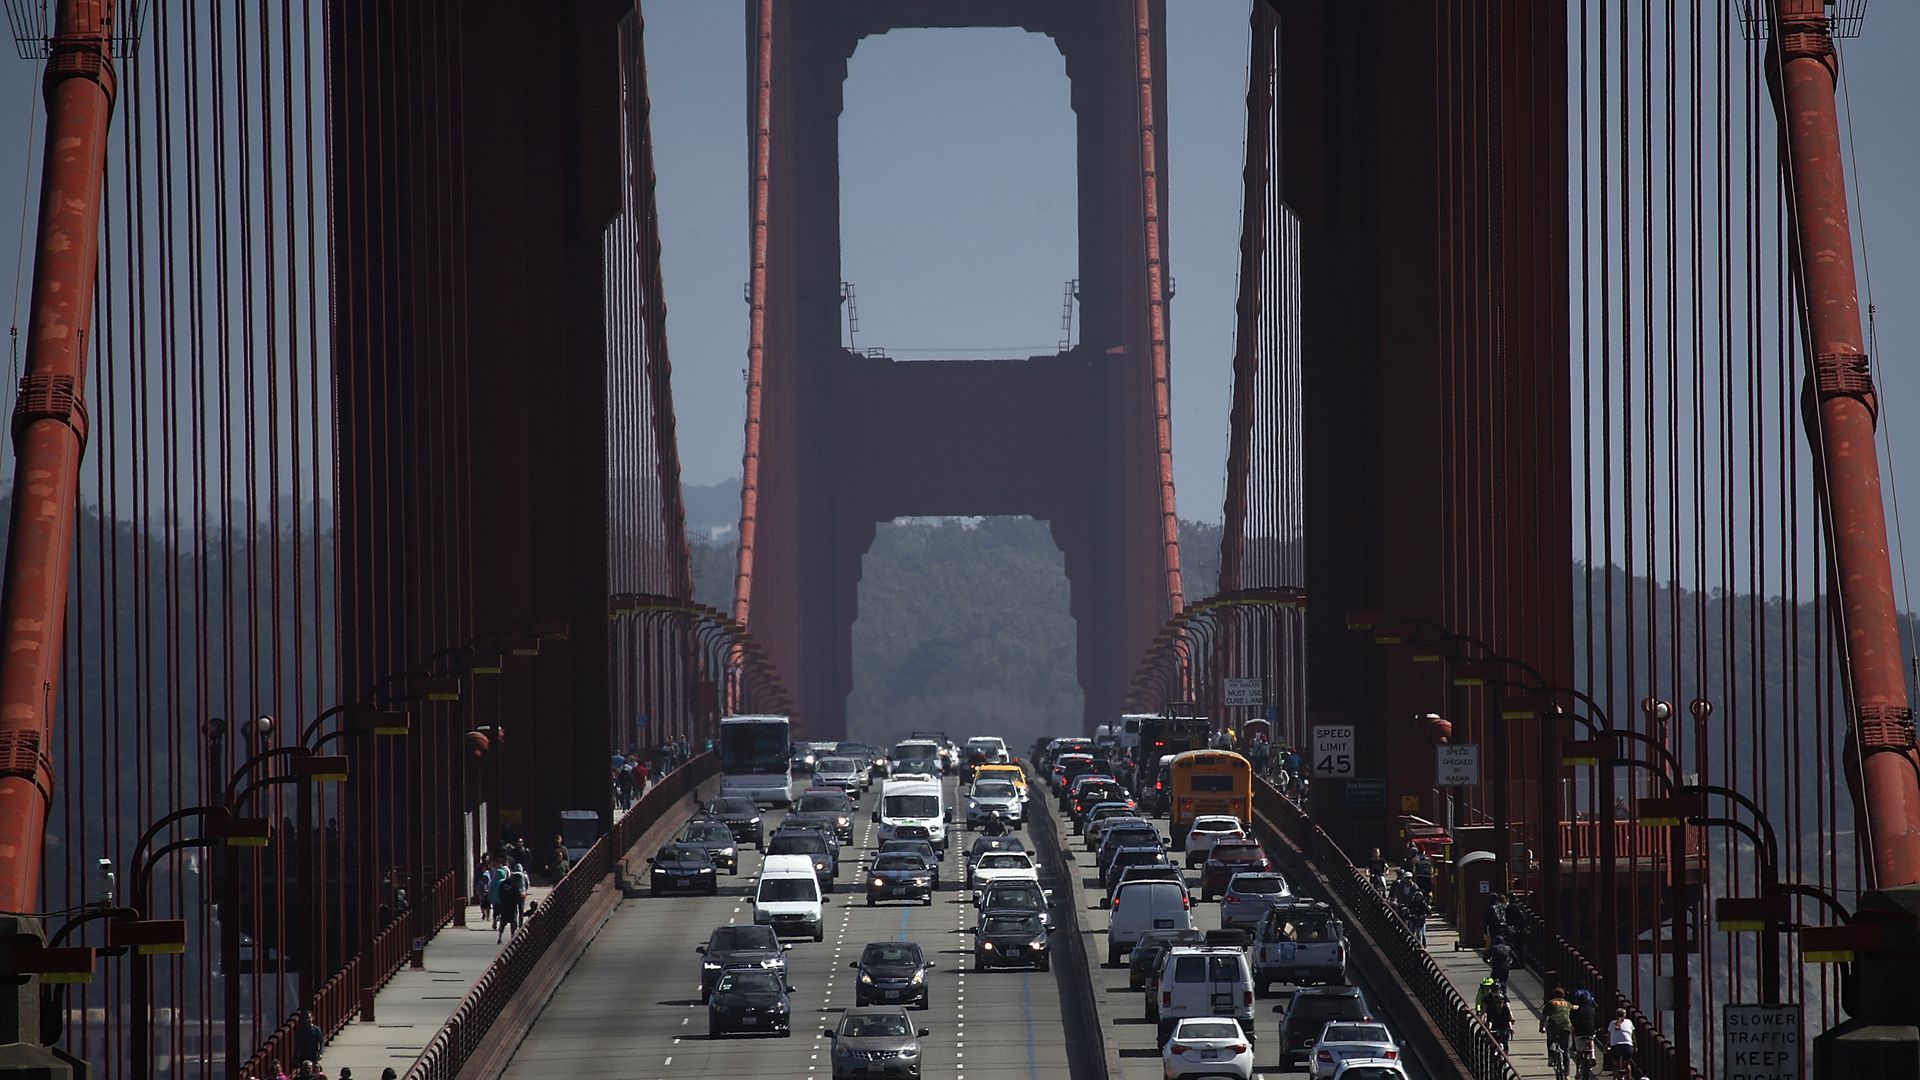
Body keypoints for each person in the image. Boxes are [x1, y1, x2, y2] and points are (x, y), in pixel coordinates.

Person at [1541, 986, 1575, 1068]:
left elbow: (1543, 1017)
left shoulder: (1550, 1003)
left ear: (1553, 995)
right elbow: (1572, 1010)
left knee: (1550, 1040)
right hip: (1566, 1025)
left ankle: (1551, 1057)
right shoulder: (1568, 1003)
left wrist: (1541, 1027)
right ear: (1563, 995)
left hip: (1553, 1025)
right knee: (1566, 1050)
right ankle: (1567, 1074)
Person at [1570, 986, 1600, 1076]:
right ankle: (1593, 1055)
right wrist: (1597, 1028)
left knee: (1579, 1051)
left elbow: (1573, 1021)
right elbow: (1597, 1020)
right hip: (1590, 1030)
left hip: (1579, 1032)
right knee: (1591, 1039)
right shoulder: (1592, 1010)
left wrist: (1573, 1027)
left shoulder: (1576, 1011)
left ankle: (1578, 1069)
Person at [1605, 1009, 1636, 1074]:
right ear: (1625, 1015)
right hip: (1627, 1047)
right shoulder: (1629, 1022)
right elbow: (1633, 1036)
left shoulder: (1611, 1023)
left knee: (1615, 1065)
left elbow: (1609, 1037)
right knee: (1627, 1065)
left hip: (1615, 1047)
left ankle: (1615, 1077)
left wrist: (1607, 1046)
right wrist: (1635, 1046)